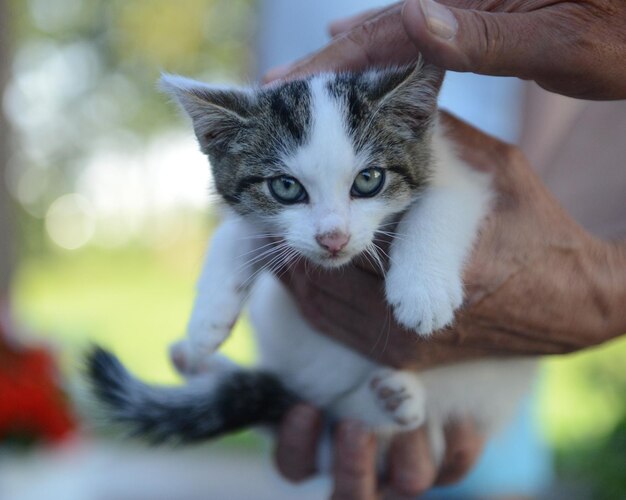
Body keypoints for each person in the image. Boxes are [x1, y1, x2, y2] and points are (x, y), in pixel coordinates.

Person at [263, 1, 626, 498]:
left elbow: (580, 82)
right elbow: (263, 80)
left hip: (490, 259)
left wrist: (578, 279)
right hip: (325, 323)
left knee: (470, 460)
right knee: (342, 454)